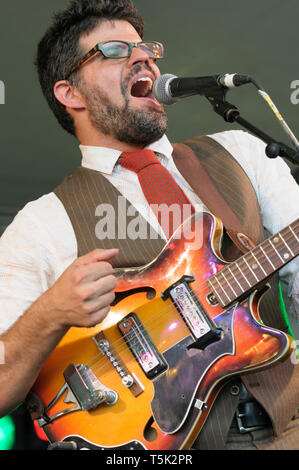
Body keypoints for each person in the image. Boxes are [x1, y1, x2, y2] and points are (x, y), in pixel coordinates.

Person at [0, 0, 298, 451]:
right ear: (71, 94)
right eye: (116, 50)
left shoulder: (243, 152)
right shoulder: (40, 225)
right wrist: (50, 313)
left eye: (147, 48)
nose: (145, 58)